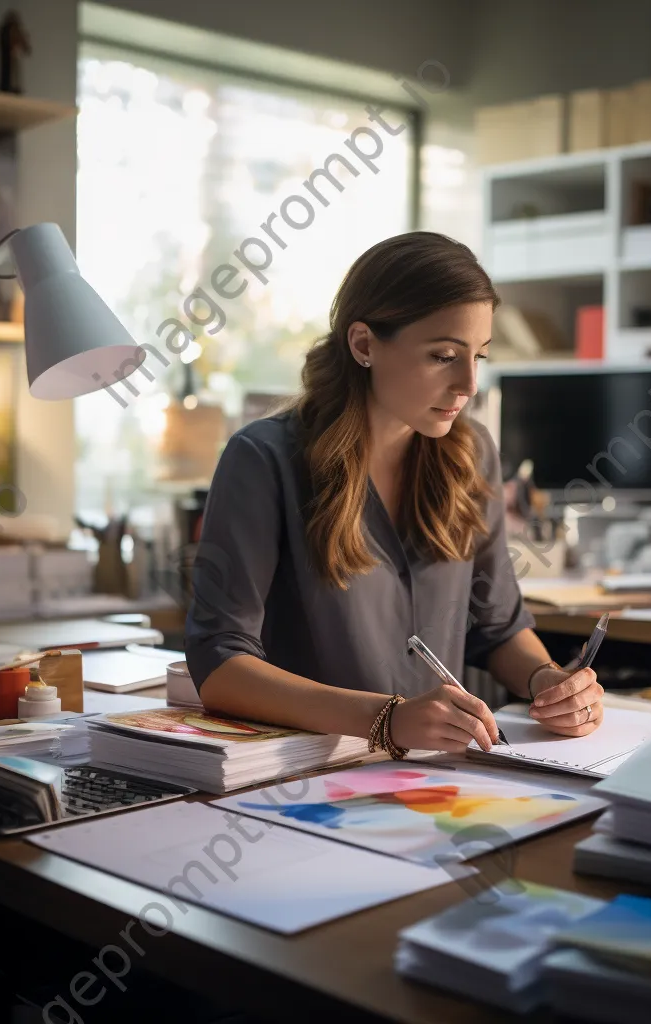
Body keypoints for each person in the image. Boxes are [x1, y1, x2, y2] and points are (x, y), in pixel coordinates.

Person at [184, 232, 603, 757]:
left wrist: (549, 682)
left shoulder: (474, 454)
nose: (468, 383)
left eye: (479, 355)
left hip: (435, 784)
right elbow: (220, 665)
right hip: (304, 779)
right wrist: (386, 719)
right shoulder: (263, 459)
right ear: (363, 345)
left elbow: (496, 627)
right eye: (444, 355)